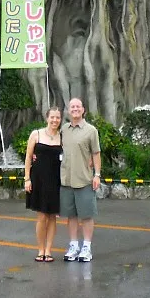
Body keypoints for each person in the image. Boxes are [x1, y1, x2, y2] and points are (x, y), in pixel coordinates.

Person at [60, 97, 101, 263]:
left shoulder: (91, 131)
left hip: (84, 179)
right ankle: (74, 245)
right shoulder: (64, 129)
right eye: (72, 107)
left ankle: (87, 247)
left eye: (78, 106)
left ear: (83, 110)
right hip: (66, 180)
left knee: (87, 215)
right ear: (68, 111)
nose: (75, 109)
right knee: (71, 215)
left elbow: (96, 153)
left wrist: (97, 174)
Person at [24, 106, 62, 262]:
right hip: (38, 179)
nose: (55, 120)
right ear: (47, 118)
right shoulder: (36, 134)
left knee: (52, 216)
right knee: (41, 216)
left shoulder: (63, 136)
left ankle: (48, 250)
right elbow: (28, 158)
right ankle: (40, 250)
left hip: (56, 180)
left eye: (58, 117)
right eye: (52, 117)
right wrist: (27, 178)